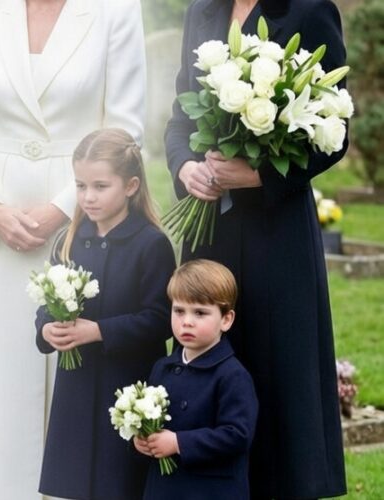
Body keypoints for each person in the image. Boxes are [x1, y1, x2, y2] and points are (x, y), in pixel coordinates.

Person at [0, 0, 146, 495]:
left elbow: (126, 128)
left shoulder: (117, 10)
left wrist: (68, 206)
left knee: (72, 372)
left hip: (86, 219)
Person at [164, 0, 348, 497]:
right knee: (207, 358)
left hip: (277, 231)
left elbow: (335, 131)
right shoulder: (201, 12)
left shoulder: (310, 11)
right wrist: (184, 168)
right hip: (210, 231)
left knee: (276, 368)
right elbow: (180, 116)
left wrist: (260, 175)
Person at [35, 129, 175, 500]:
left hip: (127, 387)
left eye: (100, 186)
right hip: (76, 390)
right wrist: (47, 329)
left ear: (130, 186)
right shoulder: (68, 238)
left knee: (120, 483)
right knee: (75, 483)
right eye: (81, 186)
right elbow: (45, 305)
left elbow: (160, 319)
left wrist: (99, 331)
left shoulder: (151, 244)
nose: (88, 197)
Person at [134, 259, 259, 500]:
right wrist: (141, 440)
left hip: (210, 490)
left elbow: (237, 435)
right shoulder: (163, 368)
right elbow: (149, 418)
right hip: (164, 489)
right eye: (179, 310)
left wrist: (179, 442)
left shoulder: (232, 375)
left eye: (200, 312)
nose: (186, 321)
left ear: (226, 319)